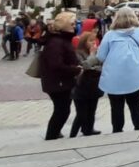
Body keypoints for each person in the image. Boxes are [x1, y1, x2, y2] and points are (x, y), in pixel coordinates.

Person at [97, 6, 139, 133]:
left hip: (114, 75)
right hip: (134, 74)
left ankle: (117, 130)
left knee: (116, 105)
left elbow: (101, 56)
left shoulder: (110, 35)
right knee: (135, 102)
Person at [40, 11, 81, 140]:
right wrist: (76, 69)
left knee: (62, 109)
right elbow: (56, 65)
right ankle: (51, 135)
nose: (74, 26)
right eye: (72, 24)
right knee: (61, 110)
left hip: (61, 81)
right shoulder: (56, 42)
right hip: (58, 82)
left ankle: (55, 132)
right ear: (64, 25)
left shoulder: (62, 39)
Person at [70, 31, 103, 137]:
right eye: (90, 40)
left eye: (95, 40)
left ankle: (88, 129)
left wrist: (93, 66)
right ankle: (73, 134)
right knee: (81, 114)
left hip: (94, 85)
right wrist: (92, 56)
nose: (93, 43)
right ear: (84, 42)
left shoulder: (97, 53)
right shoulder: (78, 53)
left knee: (92, 110)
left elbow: (101, 66)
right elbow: (85, 66)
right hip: (81, 87)